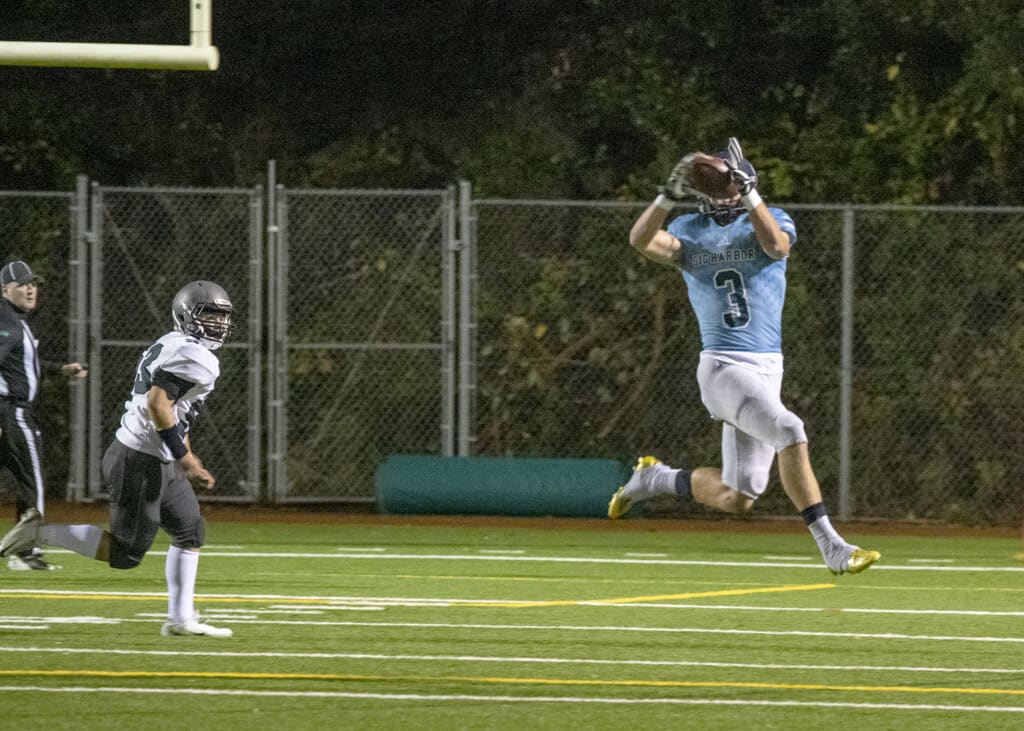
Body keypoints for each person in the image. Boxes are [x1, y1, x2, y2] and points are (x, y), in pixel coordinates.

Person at [608, 138, 880, 575]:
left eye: (730, 185)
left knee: (740, 495)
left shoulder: (770, 219)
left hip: (766, 368)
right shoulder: (689, 229)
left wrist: (750, 193)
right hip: (723, 367)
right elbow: (640, 240)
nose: (723, 193)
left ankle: (654, 478)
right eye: (718, 186)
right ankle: (832, 546)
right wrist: (665, 197)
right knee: (790, 429)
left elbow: (777, 247)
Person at [0, 280, 236, 637]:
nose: (219, 323)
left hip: (153, 455)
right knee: (124, 554)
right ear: (187, 316)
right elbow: (158, 403)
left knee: (190, 530)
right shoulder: (195, 356)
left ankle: (180, 619)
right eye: (210, 315)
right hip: (140, 458)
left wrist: (185, 454)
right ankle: (40, 533)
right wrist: (183, 457)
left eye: (222, 316)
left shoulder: (172, 344)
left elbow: (176, 410)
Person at [0, 260, 88, 571]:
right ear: (4, 289)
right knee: (33, 486)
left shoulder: (15, 321)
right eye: (22, 283)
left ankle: (24, 552)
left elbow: (17, 365)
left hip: (11, 412)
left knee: (29, 484)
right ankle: (22, 553)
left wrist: (57, 369)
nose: (30, 288)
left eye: (33, 283)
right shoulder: (7, 320)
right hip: (12, 414)